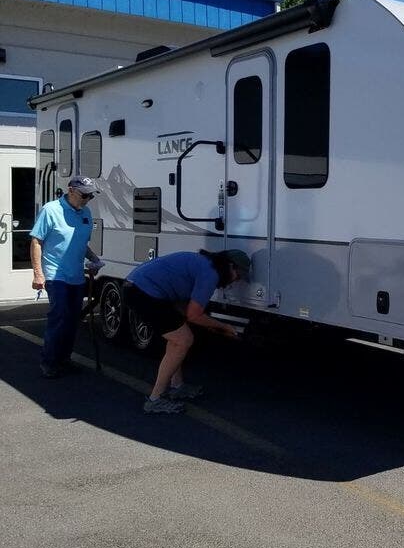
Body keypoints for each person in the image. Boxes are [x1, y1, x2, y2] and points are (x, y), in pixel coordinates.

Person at [123, 249, 250, 414]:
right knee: (183, 340)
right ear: (230, 266)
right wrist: (225, 327)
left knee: (178, 338)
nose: (236, 281)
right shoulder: (210, 274)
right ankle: (155, 399)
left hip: (138, 287)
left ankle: (177, 386)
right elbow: (194, 315)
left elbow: (185, 310)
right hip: (143, 293)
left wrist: (211, 324)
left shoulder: (205, 264)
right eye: (238, 276)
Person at [30, 175, 105, 378]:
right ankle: (49, 362)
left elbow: (81, 243)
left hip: (76, 276)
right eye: (84, 195)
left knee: (72, 321)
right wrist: (38, 274)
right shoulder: (51, 210)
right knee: (60, 316)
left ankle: (64, 359)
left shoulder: (86, 213)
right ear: (71, 190)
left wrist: (94, 259)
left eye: (90, 196)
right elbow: (37, 241)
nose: (87, 200)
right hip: (56, 274)